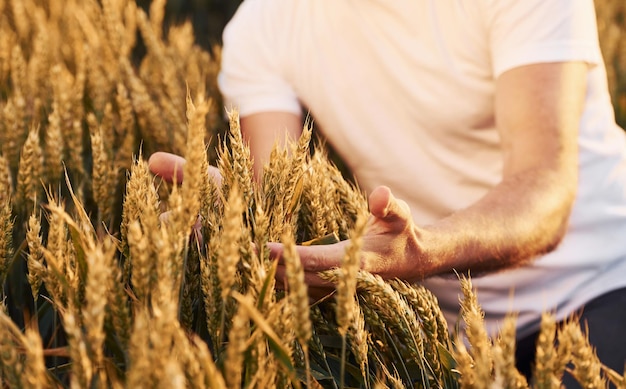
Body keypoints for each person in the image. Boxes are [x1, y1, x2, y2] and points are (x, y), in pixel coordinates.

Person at [149, 0, 626, 384]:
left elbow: (542, 190)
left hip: (602, 283)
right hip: (436, 331)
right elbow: (273, 196)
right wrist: (239, 217)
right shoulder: (261, 28)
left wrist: (424, 250)